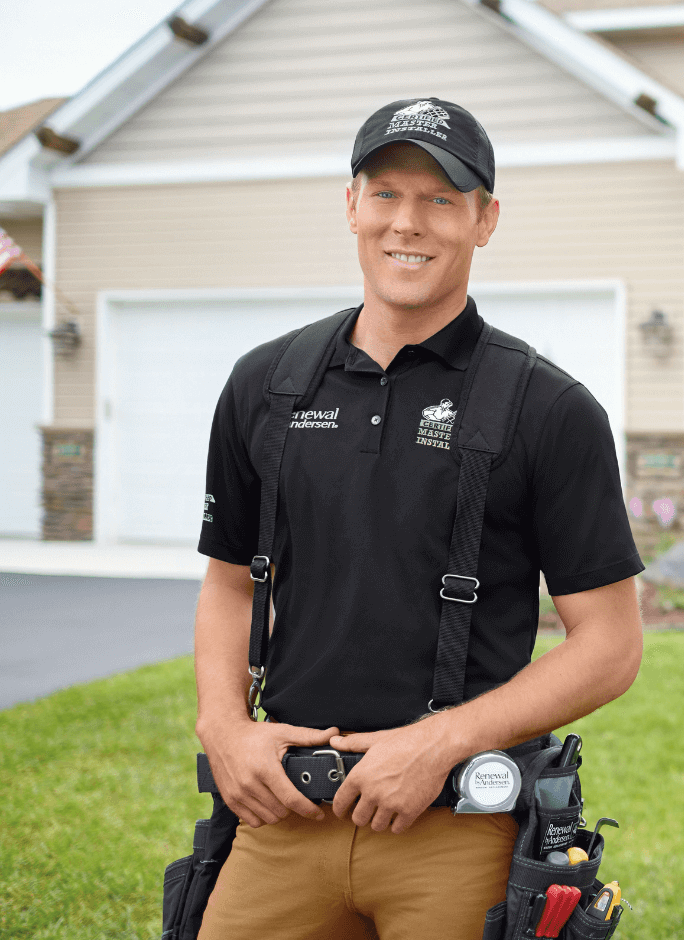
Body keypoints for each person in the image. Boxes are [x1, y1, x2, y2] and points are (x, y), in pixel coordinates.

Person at [190, 98, 644, 939]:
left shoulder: (550, 409)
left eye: (442, 199)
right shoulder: (266, 386)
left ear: (486, 220)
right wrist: (223, 725)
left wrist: (439, 742)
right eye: (389, 193)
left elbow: (611, 645)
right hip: (282, 817)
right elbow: (228, 584)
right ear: (352, 206)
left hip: (455, 831)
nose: (410, 222)